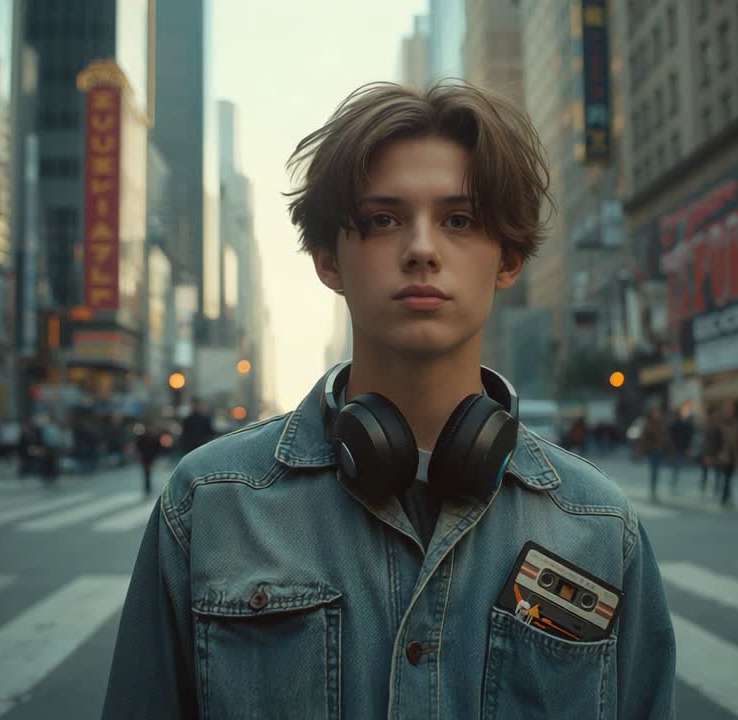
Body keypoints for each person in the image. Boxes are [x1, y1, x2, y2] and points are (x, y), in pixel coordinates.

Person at [102, 81, 675, 719]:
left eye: (459, 220)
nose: (422, 249)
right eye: (383, 220)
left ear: (508, 259)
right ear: (328, 259)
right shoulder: (209, 505)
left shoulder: (598, 526)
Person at [636, 406, 671, 503]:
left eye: (658, 413)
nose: (657, 415)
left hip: (659, 451)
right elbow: (643, 440)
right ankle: (653, 491)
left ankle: (654, 490)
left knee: (656, 471)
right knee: (654, 471)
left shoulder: (662, 425)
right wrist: (640, 452)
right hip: (652, 451)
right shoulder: (648, 425)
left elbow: (666, 438)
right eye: (655, 414)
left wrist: (667, 448)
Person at [714, 402, 738, 509]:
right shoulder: (719, 424)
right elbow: (714, 439)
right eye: (728, 410)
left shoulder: (736, 424)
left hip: (733, 455)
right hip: (722, 455)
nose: (730, 412)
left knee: (729, 478)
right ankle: (725, 498)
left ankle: (726, 497)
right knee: (726, 478)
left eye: (731, 410)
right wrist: (713, 454)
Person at [668, 408, 694, 493]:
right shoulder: (677, 424)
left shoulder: (680, 424)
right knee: (678, 467)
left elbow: (688, 436)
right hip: (678, 448)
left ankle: (675, 486)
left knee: (679, 468)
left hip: (680, 448)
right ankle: (675, 486)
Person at [134, 422, 162, 497]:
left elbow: (157, 447)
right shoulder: (143, 437)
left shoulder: (154, 437)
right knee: (146, 473)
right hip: (145, 457)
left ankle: (148, 487)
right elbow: (139, 446)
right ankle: (147, 487)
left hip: (150, 457)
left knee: (148, 473)